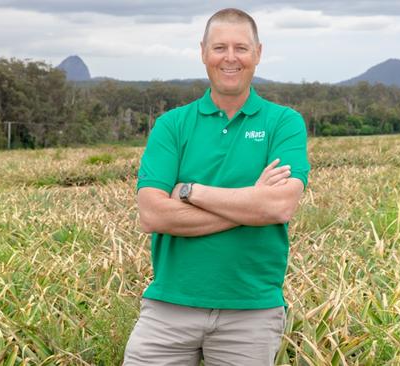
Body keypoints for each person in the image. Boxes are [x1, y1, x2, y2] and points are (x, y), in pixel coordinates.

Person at [123, 8, 310, 366]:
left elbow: (279, 207)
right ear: (203, 52)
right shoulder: (171, 125)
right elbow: (152, 214)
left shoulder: (284, 123)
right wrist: (252, 204)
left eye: (241, 48)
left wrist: (190, 191)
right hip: (168, 307)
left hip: (251, 311)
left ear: (258, 53)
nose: (230, 58)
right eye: (219, 47)